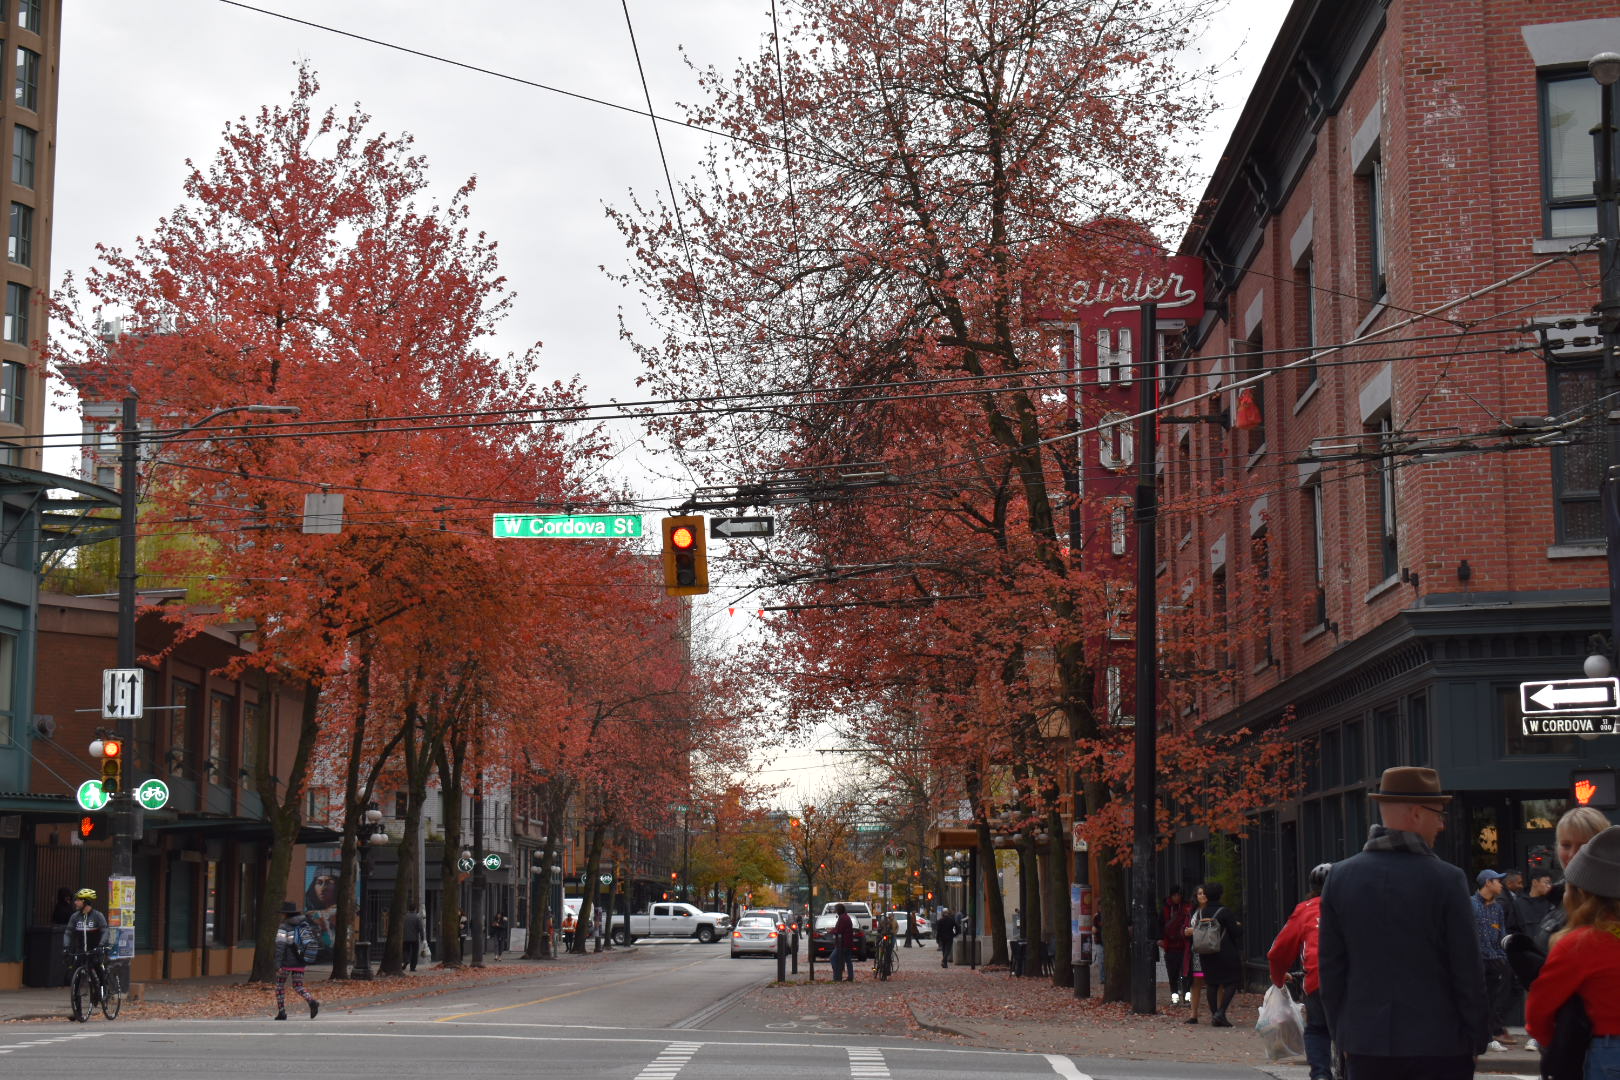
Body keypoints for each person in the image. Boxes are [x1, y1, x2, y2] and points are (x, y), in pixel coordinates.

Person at [1319, 766, 1487, 1080]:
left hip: (1365, 1043)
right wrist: (1477, 1035)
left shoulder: (1340, 878)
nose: (1442, 823)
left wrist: (1342, 1034)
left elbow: (1331, 971)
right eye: (1438, 813)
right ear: (1416, 813)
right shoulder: (1447, 880)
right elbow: (1466, 968)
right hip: (1441, 1044)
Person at [1525, 825, 1620, 1079]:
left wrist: (1557, 1044)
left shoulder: (1580, 944)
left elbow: (1539, 1010)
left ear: (1581, 891)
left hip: (1609, 1051)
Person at [1269, 863, 1333, 1080]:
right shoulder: (1354, 907)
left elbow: (1278, 951)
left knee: (1317, 1027)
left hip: (1318, 977)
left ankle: (1321, 1074)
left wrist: (1278, 979)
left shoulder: (1305, 909)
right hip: (1353, 980)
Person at [1183, 881, 1242, 1027]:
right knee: (1231, 981)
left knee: (1211, 983)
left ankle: (1215, 1013)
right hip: (1225, 951)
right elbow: (1235, 932)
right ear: (1220, 894)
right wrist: (1238, 926)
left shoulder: (1202, 912)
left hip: (1206, 951)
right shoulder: (1224, 911)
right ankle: (1220, 1012)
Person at [1474, 869, 1516, 1051]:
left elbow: (1502, 933)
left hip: (1495, 960)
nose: (1501, 884)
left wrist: (1503, 955)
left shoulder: (1498, 908)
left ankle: (1488, 1036)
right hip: (1477, 961)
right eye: (1498, 881)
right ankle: (1479, 1037)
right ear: (1488, 883)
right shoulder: (1470, 904)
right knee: (1478, 999)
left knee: (1492, 999)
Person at [273, 901, 320, 1020]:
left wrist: (277, 964)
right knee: (298, 985)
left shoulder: (284, 927)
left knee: (279, 986)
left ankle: (282, 1012)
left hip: (286, 963)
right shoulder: (304, 925)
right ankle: (311, 1000)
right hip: (300, 960)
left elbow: (280, 946)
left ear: (285, 914)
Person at [1159, 885, 1192, 1005]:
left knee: (1185, 973)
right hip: (1171, 945)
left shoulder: (1183, 908)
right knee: (1173, 973)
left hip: (1183, 946)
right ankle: (1176, 996)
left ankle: (1186, 996)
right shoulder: (1167, 909)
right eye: (1175, 895)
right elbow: (1160, 924)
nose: (1177, 897)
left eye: (1178, 895)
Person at [62, 887, 108, 954]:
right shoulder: (74, 916)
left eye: (78, 900)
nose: (75, 902)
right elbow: (68, 933)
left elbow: (105, 931)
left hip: (94, 954)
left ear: (86, 902)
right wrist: (66, 947)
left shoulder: (98, 915)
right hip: (79, 954)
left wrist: (101, 945)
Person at [830, 903, 856, 982]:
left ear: (839, 910)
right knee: (848, 960)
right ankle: (850, 976)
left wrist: (831, 931)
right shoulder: (846, 917)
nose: (835, 911)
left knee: (833, 958)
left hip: (843, 943)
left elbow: (839, 930)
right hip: (847, 942)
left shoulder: (843, 918)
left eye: (836, 910)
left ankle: (837, 976)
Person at [402, 907, 424, 973]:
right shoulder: (417, 918)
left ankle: (406, 959)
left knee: (405, 950)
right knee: (414, 953)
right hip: (414, 938)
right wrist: (422, 937)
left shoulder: (404, 917)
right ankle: (412, 967)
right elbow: (420, 928)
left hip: (405, 938)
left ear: (408, 910)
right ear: (415, 910)